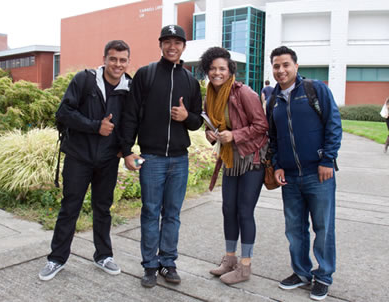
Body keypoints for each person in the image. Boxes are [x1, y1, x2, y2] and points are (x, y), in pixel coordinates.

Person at [38, 40, 132, 281]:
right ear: (104, 59)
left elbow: (130, 122)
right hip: (79, 157)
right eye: (113, 59)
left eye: (122, 60)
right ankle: (56, 259)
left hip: (108, 160)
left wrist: (125, 149)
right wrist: (94, 126)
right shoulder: (85, 80)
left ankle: (104, 256)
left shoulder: (129, 87)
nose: (117, 64)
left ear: (127, 62)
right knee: (70, 208)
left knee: (103, 209)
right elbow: (64, 113)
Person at [121, 25, 203, 288]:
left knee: (173, 214)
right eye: (167, 42)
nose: (172, 47)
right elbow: (131, 114)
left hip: (180, 159)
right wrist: (126, 151)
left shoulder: (190, 81)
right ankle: (149, 266)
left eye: (177, 42)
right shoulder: (146, 75)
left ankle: (168, 262)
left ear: (183, 47)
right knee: (149, 212)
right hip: (152, 158)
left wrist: (186, 117)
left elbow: (197, 121)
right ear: (160, 45)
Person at [267, 46, 342, 301]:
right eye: (276, 66)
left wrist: (328, 160)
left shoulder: (315, 89)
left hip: (318, 173)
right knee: (295, 229)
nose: (281, 70)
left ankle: (323, 276)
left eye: (285, 64)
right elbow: (273, 137)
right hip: (289, 177)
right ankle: (301, 273)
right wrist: (277, 164)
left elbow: (333, 123)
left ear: (296, 66)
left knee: (323, 227)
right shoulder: (274, 99)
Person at [199, 47, 269, 285]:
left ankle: (245, 267)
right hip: (230, 159)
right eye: (212, 68)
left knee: (244, 211)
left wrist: (235, 135)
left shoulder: (244, 93)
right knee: (228, 209)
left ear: (230, 71)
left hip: (251, 159)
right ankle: (229, 259)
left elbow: (262, 126)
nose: (217, 73)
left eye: (222, 68)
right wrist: (211, 134)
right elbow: (212, 124)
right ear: (207, 70)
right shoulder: (210, 94)